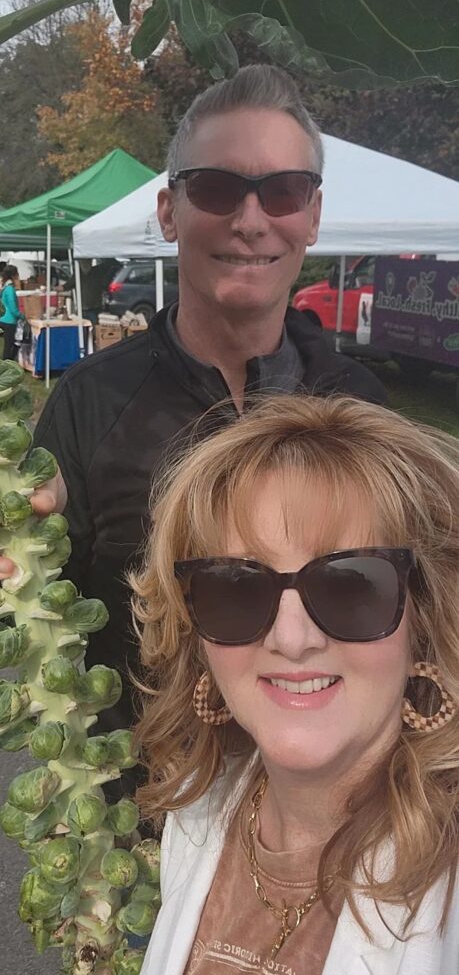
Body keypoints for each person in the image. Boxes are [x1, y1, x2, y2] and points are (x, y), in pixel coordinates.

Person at [0, 64, 385, 738]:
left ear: (311, 216)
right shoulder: (90, 399)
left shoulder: (361, 407)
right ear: (168, 212)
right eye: (217, 189)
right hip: (139, 814)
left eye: (282, 191)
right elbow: (36, 605)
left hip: (327, 814)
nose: (250, 221)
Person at [130, 394, 459, 975]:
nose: (292, 637)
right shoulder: (199, 818)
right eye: (236, 587)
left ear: (424, 621)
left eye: (351, 585)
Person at [63, 258, 121, 325]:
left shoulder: (98, 271)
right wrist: (54, 288)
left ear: (90, 262)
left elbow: (111, 262)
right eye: (82, 262)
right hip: (82, 309)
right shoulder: (77, 274)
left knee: (95, 328)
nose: (84, 264)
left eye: (86, 261)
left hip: (94, 308)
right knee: (83, 329)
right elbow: (66, 286)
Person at [0, 264, 23, 360]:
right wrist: (22, 316)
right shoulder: (10, 289)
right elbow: (13, 308)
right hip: (10, 321)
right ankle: (7, 362)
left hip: (4, 319)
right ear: (13, 276)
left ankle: (7, 361)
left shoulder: (5, 287)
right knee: (10, 345)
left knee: (8, 345)